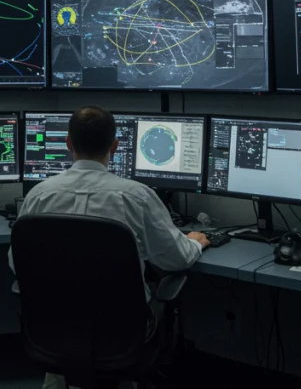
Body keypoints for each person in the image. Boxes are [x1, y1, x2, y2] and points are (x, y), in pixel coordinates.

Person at [11, 106, 210, 389]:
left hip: (53, 332)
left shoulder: (38, 196)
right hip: (121, 335)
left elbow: (15, 264)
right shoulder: (137, 197)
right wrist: (194, 241)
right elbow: (176, 259)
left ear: (68, 143)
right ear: (115, 146)